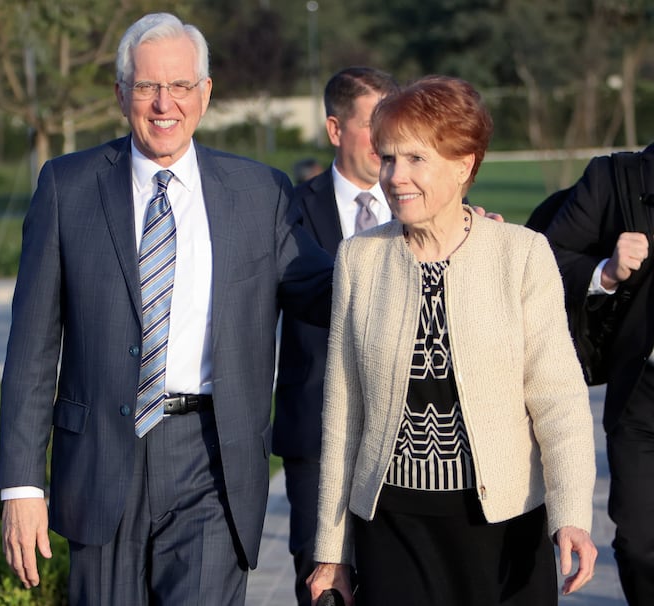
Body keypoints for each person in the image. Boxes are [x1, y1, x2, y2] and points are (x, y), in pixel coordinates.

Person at [0, 12, 333, 605]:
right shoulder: (65, 187)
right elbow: (31, 349)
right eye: (148, 85)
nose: (163, 103)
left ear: (205, 94)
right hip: (101, 460)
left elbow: (323, 291)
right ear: (121, 92)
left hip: (213, 460)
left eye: (180, 86)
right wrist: (21, 485)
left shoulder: (260, 193)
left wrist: (427, 245)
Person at [306, 75, 598, 606]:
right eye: (389, 158)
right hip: (393, 526)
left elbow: (559, 400)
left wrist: (573, 515)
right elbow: (343, 413)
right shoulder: (360, 259)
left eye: (416, 159)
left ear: (464, 165)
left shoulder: (521, 254)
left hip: (503, 526)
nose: (395, 177)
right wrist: (332, 550)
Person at [273, 66, 399, 606]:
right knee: (326, 592)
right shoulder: (286, 211)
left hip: (404, 439)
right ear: (334, 129)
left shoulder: (422, 202)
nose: (388, 140)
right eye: (375, 125)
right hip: (316, 438)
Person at [544, 142, 654, 606]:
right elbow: (548, 256)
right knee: (640, 546)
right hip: (644, 397)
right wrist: (606, 271)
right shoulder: (617, 177)